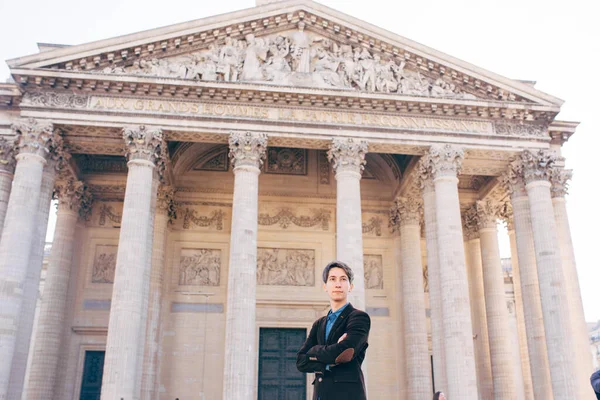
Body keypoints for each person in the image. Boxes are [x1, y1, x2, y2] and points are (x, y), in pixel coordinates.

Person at [296, 261, 371, 400]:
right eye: (332, 279)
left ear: (350, 287)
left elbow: (346, 352)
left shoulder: (359, 317)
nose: (338, 284)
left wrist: (314, 351)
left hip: (347, 395)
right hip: (320, 395)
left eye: (343, 279)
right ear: (325, 286)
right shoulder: (319, 324)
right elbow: (301, 362)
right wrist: (332, 353)